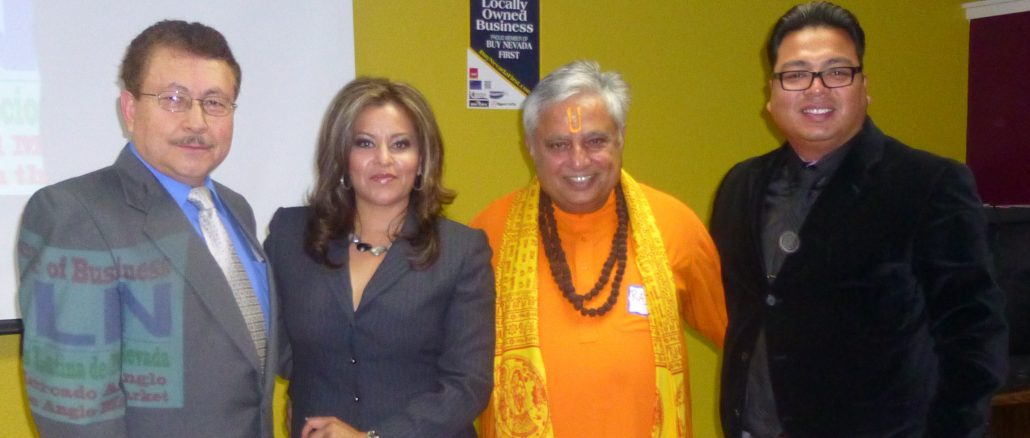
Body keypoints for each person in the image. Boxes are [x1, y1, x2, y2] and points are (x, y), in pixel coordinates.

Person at [709, 2, 1008, 437]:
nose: (816, 89)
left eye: (836, 71)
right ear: (771, 94)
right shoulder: (740, 185)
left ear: (864, 87)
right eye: (796, 74)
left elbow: (974, 337)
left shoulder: (928, 183)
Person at [17, 20, 276, 437]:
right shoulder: (74, 215)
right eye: (174, 99)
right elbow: (78, 414)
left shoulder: (235, 210)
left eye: (215, 102)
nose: (197, 121)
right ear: (130, 109)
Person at [472, 60, 727, 437]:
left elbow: (743, 341)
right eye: (558, 145)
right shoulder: (486, 236)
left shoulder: (676, 225)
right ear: (530, 147)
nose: (578, 161)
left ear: (621, 137)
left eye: (595, 141)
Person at [264, 77, 495, 438]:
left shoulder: (462, 251)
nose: (383, 159)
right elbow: (269, 343)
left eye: (400, 144)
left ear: (422, 159)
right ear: (342, 156)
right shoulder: (290, 235)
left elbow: (468, 384)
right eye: (365, 143)